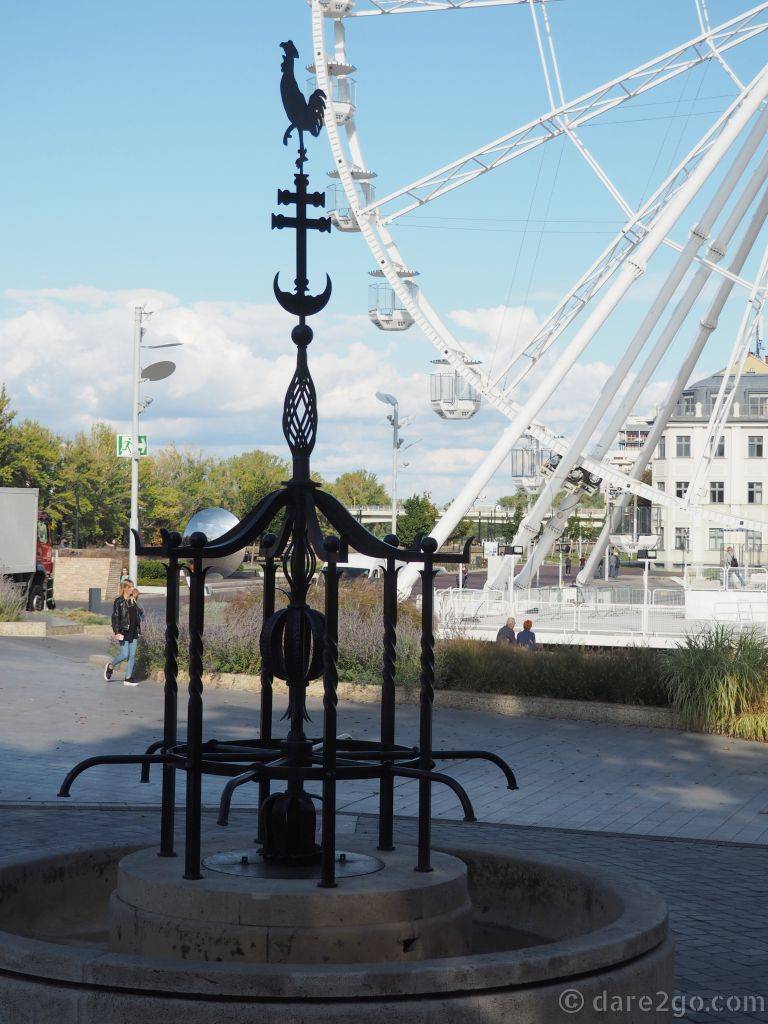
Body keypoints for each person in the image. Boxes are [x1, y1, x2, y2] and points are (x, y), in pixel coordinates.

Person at [104, 582, 144, 686]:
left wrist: (135, 600)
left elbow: (140, 614)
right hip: (124, 631)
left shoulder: (132, 601)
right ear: (125, 588)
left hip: (134, 631)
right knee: (125, 654)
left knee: (132, 655)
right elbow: (115, 617)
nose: (132, 589)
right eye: (130, 587)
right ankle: (110, 666)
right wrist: (117, 632)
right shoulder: (119, 601)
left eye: (133, 587)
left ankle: (128, 678)